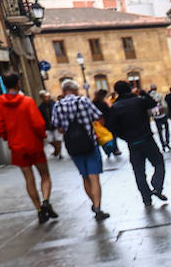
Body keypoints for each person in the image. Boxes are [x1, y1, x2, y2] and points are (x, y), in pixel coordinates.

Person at [0, 72, 58, 222]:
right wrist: (42, 136)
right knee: (45, 175)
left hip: (17, 147)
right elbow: (38, 123)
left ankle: (39, 209)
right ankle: (46, 201)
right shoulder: (27, 101)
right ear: (18, 84)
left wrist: (8, 137)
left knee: (29, 179)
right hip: (33, 144)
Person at [49, 80, 110, 220]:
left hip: (73, 146)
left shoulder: (58, 105)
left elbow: (58, 127)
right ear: (75, 90)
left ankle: (94, 204)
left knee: (85, 176)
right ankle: (98, 207)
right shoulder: (83, 101)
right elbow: (99, 117)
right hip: (90, 143)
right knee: (94, 177)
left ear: (64, 92)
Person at [104, 80, 168, 208]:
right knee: (159, 163)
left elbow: (111, 126)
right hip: (147, 138)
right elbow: (154, 104)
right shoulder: (140, 100)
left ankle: (146, 198)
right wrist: (142, 92)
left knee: (139, 171)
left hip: (132, 143)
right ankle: (157, 185)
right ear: (130, 89)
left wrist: (125, 136)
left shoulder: (115, 107)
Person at [92, 89, 122, 158]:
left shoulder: (94, 102)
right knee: (112, 136)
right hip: (108, 121)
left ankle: (107, 150)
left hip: (99, 123)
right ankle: (115, 149)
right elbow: (112, 109)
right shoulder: (105, 102)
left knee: (103, 137)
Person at [37, 89, 62, 159]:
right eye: (45, 97)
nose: (46, 98)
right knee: (49, 140)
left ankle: (59, 153)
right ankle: (56, 149)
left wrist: (60, 124)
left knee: (58, 139)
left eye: (48, 97)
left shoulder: (54, 104)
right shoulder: (41, 107)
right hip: (47, 127)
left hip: (56, 125)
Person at [148, 84, 171, 152]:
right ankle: (167, 141)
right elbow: (164, 105)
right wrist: (166, 113)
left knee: (159, 131)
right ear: (156, 88)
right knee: (166, 128)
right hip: (163, 115)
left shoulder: (149, 97)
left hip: (156, 116)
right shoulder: (160, 95)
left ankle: (162, 144)